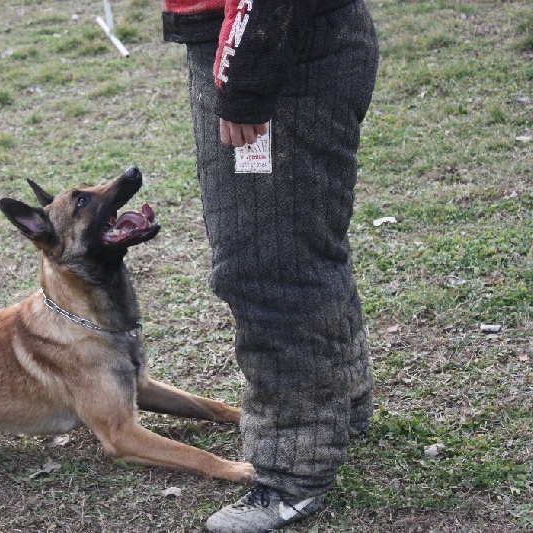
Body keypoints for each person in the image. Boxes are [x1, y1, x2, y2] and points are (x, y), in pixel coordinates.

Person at [161, 0, 379, 531]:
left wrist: (246, 81)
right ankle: (340, 410)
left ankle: (291, 474)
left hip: (276, 50)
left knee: (268, 266)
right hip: (273, 43)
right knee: (299, 245)